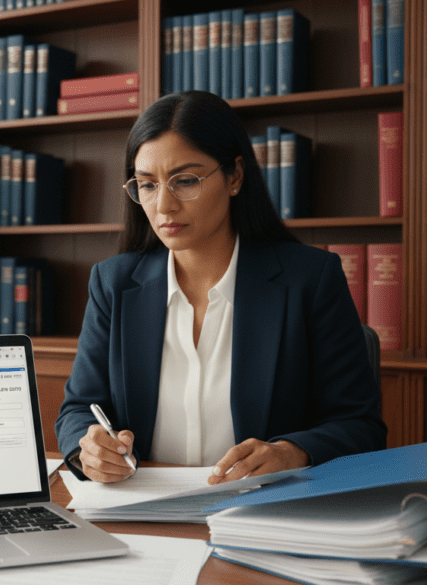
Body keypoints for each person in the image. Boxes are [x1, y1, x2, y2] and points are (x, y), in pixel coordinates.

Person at [54, 90, 386, 485]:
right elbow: (78, 410)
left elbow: (360, 426)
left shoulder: (310, 279)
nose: (164, 206)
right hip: (143, 513)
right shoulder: (113, 283)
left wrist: (291, 453)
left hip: (261, 512)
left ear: (235, 176)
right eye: (147, 185)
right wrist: (87, 449)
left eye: (186, 180)